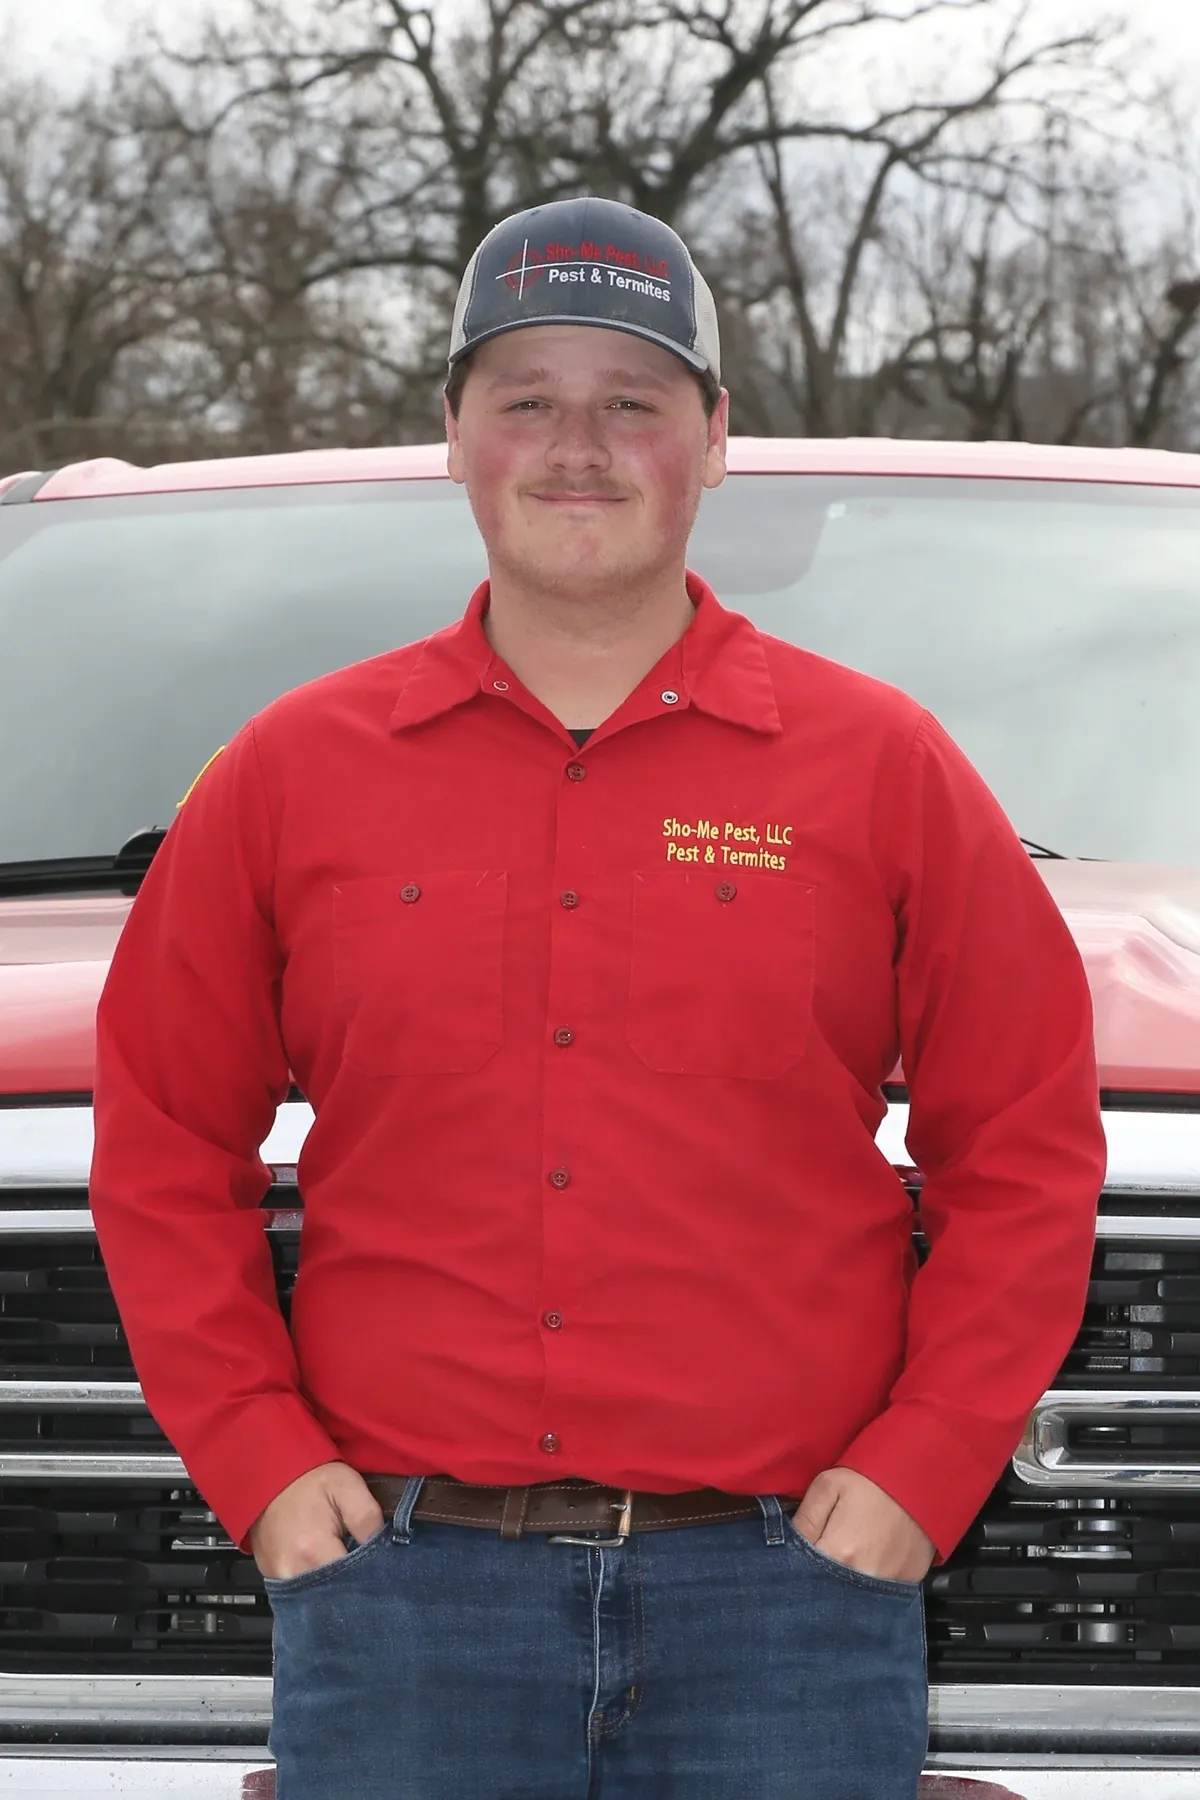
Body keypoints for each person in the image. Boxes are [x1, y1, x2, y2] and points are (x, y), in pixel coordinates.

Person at [89, 196, 1107, 1799]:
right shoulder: (287, 775)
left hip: (787, 1606)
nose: (580, 444)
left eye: (633, 400)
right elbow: (159, 1148)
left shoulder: (886, 770)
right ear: (453, 437)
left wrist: (922, 1468)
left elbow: (1031, 1150)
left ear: (714, 440)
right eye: (527, 399)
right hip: (401, 1605)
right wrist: (262, 1464)